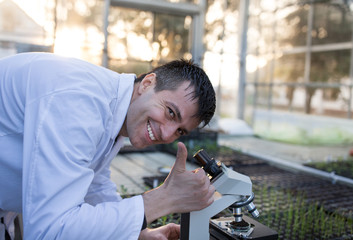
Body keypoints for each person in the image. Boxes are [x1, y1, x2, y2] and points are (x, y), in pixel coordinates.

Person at [0, 52, 216, 240]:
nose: (168, 134)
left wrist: (139, 233)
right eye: (170, 112)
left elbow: (94, 185)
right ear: (148, 83)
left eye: (180, 131)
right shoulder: (80, 101)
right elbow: (49, 232)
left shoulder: (112, 110)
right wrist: (163, 199)